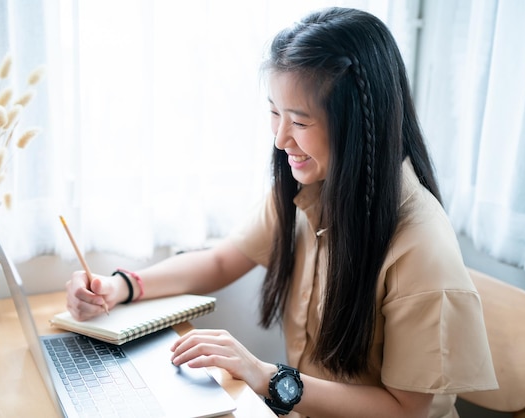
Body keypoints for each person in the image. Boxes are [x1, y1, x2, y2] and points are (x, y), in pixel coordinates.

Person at [66, 7, 498, 418]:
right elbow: (221, 260)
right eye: (274, 113)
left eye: (300, 121)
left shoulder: (420, 245)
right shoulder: (314, 186)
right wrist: (120, 286)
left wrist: (267, 376)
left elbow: (407, 411)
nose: (280, 139)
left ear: (358, 125)